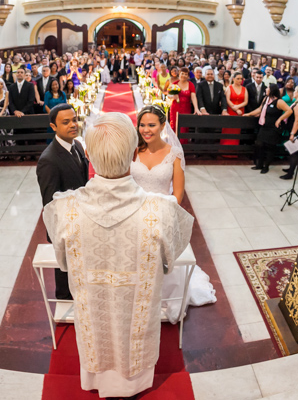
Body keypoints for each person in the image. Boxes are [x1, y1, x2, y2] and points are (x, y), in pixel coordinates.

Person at [43, 112, 193, 398]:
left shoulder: (62, 208)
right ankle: (134, 385)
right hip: (138, 313)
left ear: (88, 153)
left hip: (92, 313)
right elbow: (170, 259)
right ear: (134, 151)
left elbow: (63, 263)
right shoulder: (161, 210)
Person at [131, 105, 215, 323]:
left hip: (161, 215)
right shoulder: (132, 150)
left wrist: (157, 213)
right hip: (133, 214)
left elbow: (177, 195)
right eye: (142, 125)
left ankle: (166, 298)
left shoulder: (174, 155)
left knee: (161, 262)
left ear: (162, 125)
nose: (146, 130)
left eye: (151, 125)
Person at [37, 104, 88, 301]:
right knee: (65, 269)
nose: (72, 125)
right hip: (64, 226)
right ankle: (64, 300)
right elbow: (51, 203)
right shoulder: (48, 160)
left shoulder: (77, 145)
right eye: (65, 122)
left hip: (81, 219)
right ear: (53, 126)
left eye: (74, 120)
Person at [245, 84, 293, 174]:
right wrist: (249, 114)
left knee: (270, 147)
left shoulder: (279, 101)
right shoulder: (266, 99)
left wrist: (280, 119)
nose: (266, 89)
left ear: (272, 90)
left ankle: (266, 166)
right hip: (264, 126)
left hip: (273, 128)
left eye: (268, 88)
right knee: (259, 144)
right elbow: (260, 109)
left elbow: (289, 110)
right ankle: (259, 165)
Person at [221, 71, 248, 150]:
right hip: (230, 110)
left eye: (241, 79)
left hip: (240, 111)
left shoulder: (244, 88)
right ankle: (224, 149)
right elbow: (227, 100)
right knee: (228, 129)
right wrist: (234, 108)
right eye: (238, 79)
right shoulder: (229, 87)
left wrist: (238, 107)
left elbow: (246, 101)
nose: (240, 80)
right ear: (233, 79)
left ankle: (234, 149)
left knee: (236, 130)